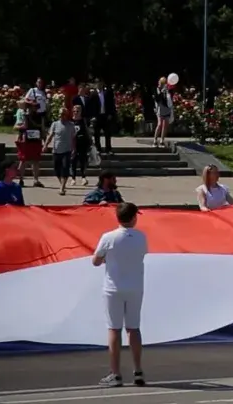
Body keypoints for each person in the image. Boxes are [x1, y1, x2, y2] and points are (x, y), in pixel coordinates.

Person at [93, 202, 148, 387]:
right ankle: (138, 370)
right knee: (134, 328)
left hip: (113, 288)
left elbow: (96, 261)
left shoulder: (108, 237)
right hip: (135, 287)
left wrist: (107, 257)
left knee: (114, 329)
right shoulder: (141, 237)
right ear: (132, 218)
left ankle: (115, 373)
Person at [44, 108, 77, 196]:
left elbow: (73, 138)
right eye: (60, 114)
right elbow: (50, 136)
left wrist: (74, 149)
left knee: (65, 168)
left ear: (66, 115)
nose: (61, 116)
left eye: (63, 114)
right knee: (57, 170)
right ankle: (62, 183)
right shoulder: (55, 124)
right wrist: (45, 145)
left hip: (67, 150)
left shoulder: (71, 125)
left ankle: (62, 188)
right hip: (56, 150)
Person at [14, 97, 45, 188]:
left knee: (36, 161)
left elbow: (42, 129)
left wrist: (44, 140)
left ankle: (36, 180)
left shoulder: (40, 117)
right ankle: (20, 179)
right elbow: (16, 126)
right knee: (23, 160)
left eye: (34, 107)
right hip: (26, 140)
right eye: (31, 106)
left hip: (36, 140)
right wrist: (23, 127)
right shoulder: (24, 116)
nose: (33, 108)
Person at [71, 104, 93, 187]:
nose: (76, 113)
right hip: (73, 143)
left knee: (82, 160)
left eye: (77, 111)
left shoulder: (83, 121)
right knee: (73, 160)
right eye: (74, 111)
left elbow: (87, 131)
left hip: (83, 142)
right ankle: (73, 178)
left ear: (80, 112)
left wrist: (90, 140)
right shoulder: (70, 121)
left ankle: (83, 177)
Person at [93, 80, 117, 155]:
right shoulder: (93, 94)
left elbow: (111, 104)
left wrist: (111, 114)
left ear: (102, 84)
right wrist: (92, 116)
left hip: (105, 116)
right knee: (97, 134)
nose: (99, 85)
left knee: (107, 133)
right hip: (97, 116)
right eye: (97, 83)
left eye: (100, 83)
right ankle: (98, 149)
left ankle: (108, 149)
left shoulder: (107, 93)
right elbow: (91, 106)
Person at [153, 78, 173, 148]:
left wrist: (167, 91)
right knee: (159, 124)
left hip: (167, 110)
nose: (160, 84)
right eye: (160, 83)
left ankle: (162, 141)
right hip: (160, 110)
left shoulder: (168, 90)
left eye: (162, 83)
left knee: (165, 126)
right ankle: (155, 140)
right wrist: (162, 92)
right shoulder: (157, 89)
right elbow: (157, 99)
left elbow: (169, 100)